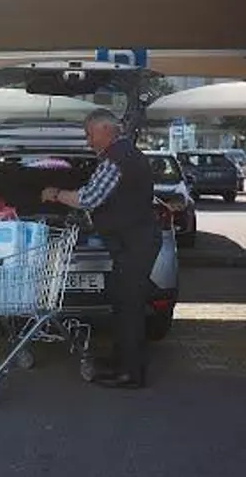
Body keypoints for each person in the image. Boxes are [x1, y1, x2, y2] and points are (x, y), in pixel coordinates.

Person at [41, 109, 161, 389]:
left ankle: (130, 373)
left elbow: (90, 197)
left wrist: (55, 194)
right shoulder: (125, 155)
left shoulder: (116, 159)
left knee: (129, 307)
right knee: (122, 302)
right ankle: (120, 361)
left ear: (106, 130)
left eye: (89, 134)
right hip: (133, 242)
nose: (88, 141)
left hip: (135, 243)